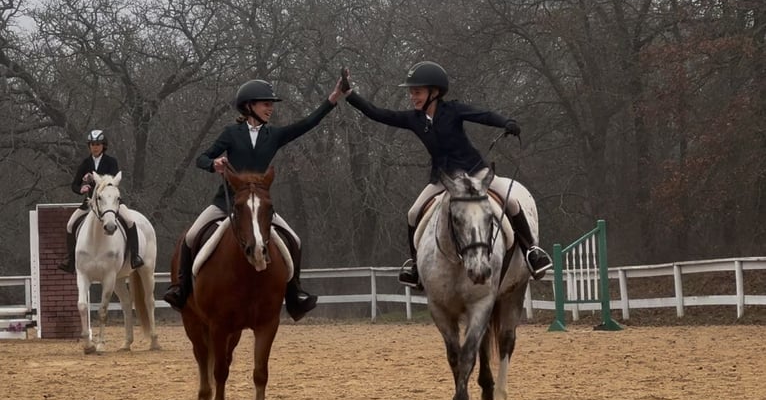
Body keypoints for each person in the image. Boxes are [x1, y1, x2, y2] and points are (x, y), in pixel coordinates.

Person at [341, 61, 553, 288]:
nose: (413, 97)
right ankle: (415, 267)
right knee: (413, 214)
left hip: (476, 172)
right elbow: (379, 114)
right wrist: (350, 94)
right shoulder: (414, 119)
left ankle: (532, 251)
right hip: (445, 179)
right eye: (412, 93)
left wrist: (506, 122)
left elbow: (484, 115)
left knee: (511, 202)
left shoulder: (452, 110)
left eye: (418, 92)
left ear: (434, 92)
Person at [163, 77, 345, 321]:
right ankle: (181, 289)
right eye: (265, 104)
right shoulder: (231, 133)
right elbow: (202, 158)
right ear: (249, 106)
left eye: (271, 104)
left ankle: (295, 295)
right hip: (226, 202)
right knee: (191, 236)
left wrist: (332, 100)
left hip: (259, 206)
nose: (270, 108)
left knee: (296, 240)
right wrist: (213, 164)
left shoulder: (275, 135)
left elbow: (307, 123)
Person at [58, 129, 145, 273]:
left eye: (98, 144)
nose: (95, 147)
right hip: (90, 203)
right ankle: (71, 259)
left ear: (103, 145)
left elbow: (111, 181)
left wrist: (94, 180)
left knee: (130, 221)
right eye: (92, 144)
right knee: (70, 224)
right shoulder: (85, 163)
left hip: (110, 202)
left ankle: (135, 256)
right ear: (89, 146)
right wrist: (81, 188)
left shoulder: (111, 162)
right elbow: (74, 184)